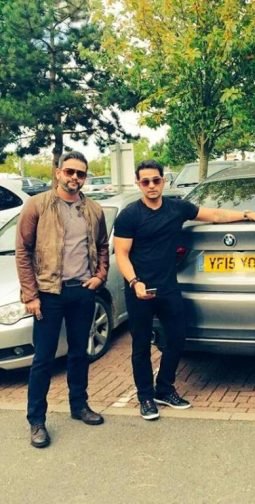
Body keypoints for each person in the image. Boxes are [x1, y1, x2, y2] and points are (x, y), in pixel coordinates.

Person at [114, 160, 255, 421]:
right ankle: (145, 397)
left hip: (168, 288)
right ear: (138, 184)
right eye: (145, 181)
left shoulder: (177, 208)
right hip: (139, 289)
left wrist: (247, 214)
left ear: (163, 181)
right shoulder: (129, 215)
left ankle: (164, 387)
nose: (151, 185)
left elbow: (215, 215)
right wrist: (134, 282)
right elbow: (122, 254)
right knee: (141, 346)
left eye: (155, 180)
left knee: (177, 339)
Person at [15, 151, 109, 448]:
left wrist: (100, 276)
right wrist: (30, 294)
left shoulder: (93, 209)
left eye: (80, 174)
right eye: (69, 172)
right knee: (43, 358)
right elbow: (23, 251)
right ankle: (36, 421)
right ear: (58, 172)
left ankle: (79, 405)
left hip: (82, 291)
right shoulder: (37, 205)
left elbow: (103, 246)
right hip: (48, 294)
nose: (74, 178)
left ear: (85, 177)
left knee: (79, 353)